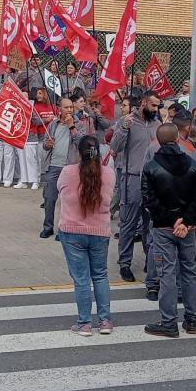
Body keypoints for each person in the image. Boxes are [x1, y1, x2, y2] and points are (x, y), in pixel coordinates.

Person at [142, 123, 196, 337]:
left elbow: (150, 200)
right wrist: (185, 221)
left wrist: (172, 220)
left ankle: (169, 322)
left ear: (158, 142)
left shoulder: (151, 167)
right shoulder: (193, 163)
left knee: (167, 274)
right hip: (187, 228)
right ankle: (191, 320)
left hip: (163, 227)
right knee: (190, 271)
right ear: (178, 138)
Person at [56, 135, 116, 336]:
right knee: (100, 275)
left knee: (81, 279)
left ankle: (84, 323)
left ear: (78, 152)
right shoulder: (108, 173)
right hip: (99, 231)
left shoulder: (67, 172)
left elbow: (59, 190)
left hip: (72, 230)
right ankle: (105, 321)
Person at [112, 90, 160, 284]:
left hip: (154, 182)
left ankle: (151, 262)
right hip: (131, 179)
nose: (156, 109)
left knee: (151, 224)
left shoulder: (158, 124)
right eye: (153, 105)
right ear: (143, 103)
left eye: (158, 106)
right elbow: (115, 146)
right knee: (129, 224)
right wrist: (123, 128)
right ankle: (125, 263)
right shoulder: (127, 121)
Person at [40, 97, 82, 239]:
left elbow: (82, 143)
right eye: (66, 107)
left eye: (71, 107)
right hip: (53, 166)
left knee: (67, 200)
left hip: (70, 168)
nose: (70, 110)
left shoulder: (79, 124)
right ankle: (48, 227)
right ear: (60, 109)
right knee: (49, 198)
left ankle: (64, 229)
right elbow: (45, 144)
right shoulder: (53, 124)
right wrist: (47, 144)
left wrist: (72, 127)